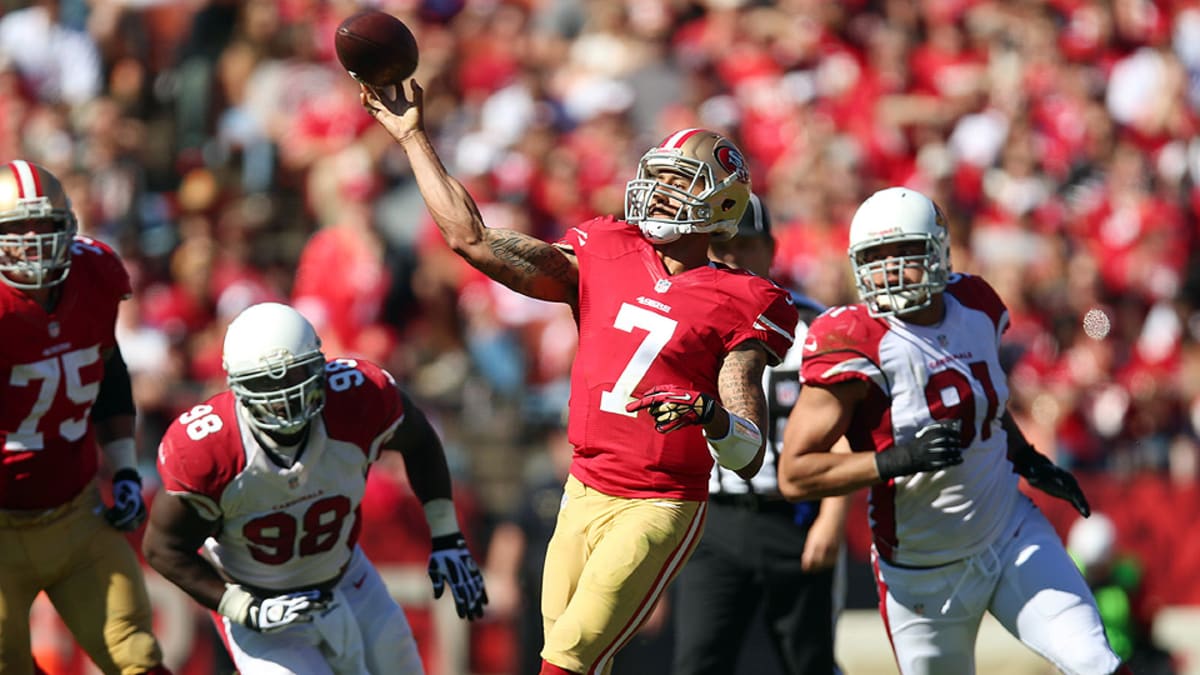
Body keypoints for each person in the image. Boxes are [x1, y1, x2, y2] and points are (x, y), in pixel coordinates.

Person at [361, 81, 799, 675]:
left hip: (657, 502)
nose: (663, 193)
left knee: (565, 660)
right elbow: (472, 240)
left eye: (682, 183)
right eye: (661, 177)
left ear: (722, 206)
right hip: (581, 487)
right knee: (580, 661)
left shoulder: (744, 296)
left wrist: (710, 415)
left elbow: (747, 453)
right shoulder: (605, 246)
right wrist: (412, 136)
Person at [777, 185, 1130, 675]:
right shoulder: (853, 340)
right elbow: (796, 473)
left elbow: (979, 400)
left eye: (905, 252)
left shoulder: (976, 303)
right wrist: (897, 459)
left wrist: (1025, 454)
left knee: (1096, 662)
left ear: (939, 251)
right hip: (922, 569)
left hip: (1008, 531)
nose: (891, 270)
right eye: (878, 257)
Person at [141, 301, 487, 674]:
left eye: (295, 377)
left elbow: (420, 440)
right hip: (264, 606)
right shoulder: (211, 447)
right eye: (266, 385)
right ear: (236, 387)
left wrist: (447, 535)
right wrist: (242, 607)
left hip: (349, 578)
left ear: (320, 366)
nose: (284, 398)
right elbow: (161, 547)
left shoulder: (357, 397)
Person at [0, 160, 170, 675]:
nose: (33, 242)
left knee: (138, 658)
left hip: (76, 514)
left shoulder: (95, 274)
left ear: (68, 226)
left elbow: (109, 370)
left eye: (44, 226)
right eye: (17, 229)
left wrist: (121, 467)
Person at [672, 193, 849, 675]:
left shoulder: (817, 328)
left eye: (745, 244)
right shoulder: (685, 321)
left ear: (771, 249)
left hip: (793, 515)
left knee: (808, 662)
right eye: (721, 243)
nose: (731, 256)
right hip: (713, 519)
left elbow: (845, 432)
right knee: (697, 661)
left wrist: (831, 520)